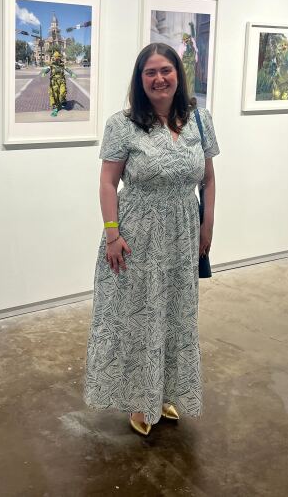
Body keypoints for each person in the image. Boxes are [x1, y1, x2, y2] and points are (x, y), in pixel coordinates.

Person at [83, 42, 219, 436]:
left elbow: (209, 180)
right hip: (136, 235)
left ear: (178, 74)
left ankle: (164, 393)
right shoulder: (122, 124)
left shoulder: (200, 119)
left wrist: (206, 227)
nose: (159, 79)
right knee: (138, 317)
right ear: (140, 81)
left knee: (175, 316)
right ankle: (140, 401)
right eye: (150, 73)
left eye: (166, 70)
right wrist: (112, 235)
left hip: (182, 233)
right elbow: (108, 183)